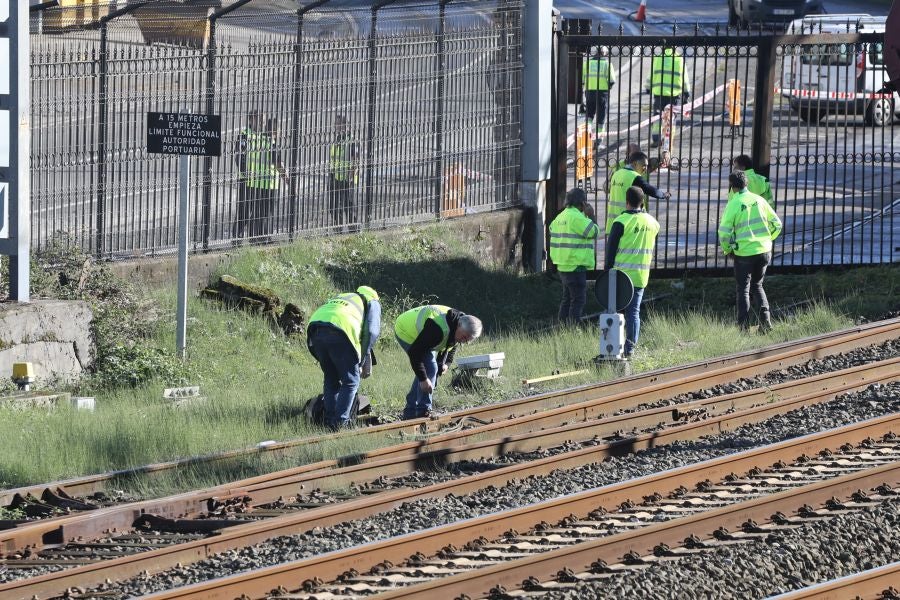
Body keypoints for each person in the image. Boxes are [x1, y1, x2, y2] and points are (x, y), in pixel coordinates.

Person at [306, 286, 381, 430]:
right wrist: (361, 361)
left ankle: (329, 422)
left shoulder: (344, 296)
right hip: (339, 331)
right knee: (351, 381)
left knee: (331, 378)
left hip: (315, 330)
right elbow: (372, 332)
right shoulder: (372, 300)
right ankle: (341, 424)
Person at [718, 170, 783, 333]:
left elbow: (724, 232)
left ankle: (743, 327)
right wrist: (768, 238)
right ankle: (766, 322)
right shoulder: (759, 200)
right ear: (746, 183)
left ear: (732, 186)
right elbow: (777, 224)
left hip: (744, 253)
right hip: (764, 250)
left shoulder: (733, 203)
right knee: (757, 285)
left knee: (743, 289)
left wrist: (728, 249)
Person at [394, 305, 482, 420]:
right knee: (430, 368)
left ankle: (411, 411)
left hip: (426, 336)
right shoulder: (438, 329)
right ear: (459, 325)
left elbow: (452, 345)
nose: (464, 342)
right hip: (406, 330)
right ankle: (422, 410)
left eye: (468, 340)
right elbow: (415, 353)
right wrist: (423, 379)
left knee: (431, 370)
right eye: (464, 337)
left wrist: (446, 364)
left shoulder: (459, 325)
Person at [606, 186, 660, 358]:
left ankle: (613, 350)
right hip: (640, 275)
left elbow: (610, 252)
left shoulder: (620, 222)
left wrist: (607, 272)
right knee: (633, 313)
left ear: (626, 201)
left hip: (620, 275)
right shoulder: (652, 222)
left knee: (614, 312)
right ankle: (630, 350)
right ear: (643, 202)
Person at [234, 109, 287, 244]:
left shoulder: (266, 137)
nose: (262, 123)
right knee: (244, 213)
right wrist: (245, 173)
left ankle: (258, 239)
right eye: (259, 120)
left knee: (261, 214)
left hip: (262, 182)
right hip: (248, 181)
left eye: (263, 121)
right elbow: (239, 156)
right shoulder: (245, 135)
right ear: (251, 120)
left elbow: (275, 160)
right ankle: (237, 240)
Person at [549, 188, 600, 324]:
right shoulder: (577, 218)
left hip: (563, 265)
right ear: (583, 203)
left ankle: (562, 326)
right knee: (578, 300)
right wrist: (591, 215)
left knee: (567, 299)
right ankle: (573, 328)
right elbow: (594, 232)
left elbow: (551, 230)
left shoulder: (560, 217)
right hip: (575, 265)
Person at [606, 151, 670, 234]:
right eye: (644, 165)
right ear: (635, 164)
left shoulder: (617, 174)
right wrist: (663, 195)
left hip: (614, 222)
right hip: (628, 222)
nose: (646, 169)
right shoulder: (634, 177)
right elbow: (650, 190)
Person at [648, 47, 690, 149]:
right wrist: (686, 93)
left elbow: (651, 73)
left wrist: (648, 87)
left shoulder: (658, 58)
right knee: (671, 119)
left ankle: (656, 139)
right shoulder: (679, 59)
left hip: (659, 94)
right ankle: (668, 142)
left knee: (657, 117)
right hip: (674, 95)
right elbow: (684, 78)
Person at [329, 114, 360, 231]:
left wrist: (351, 177)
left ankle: (353, 229)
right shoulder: (337, 140)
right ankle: (338, 228)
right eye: (336, 124)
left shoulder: (352, 141)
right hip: (336, 178)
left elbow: (355, 161)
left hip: (348, 179)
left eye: (339, 124)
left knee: (349, 206)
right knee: (335, 206)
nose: (336, 126)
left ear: (346, 125)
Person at [582, 46, 616, 146]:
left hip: (589, 92)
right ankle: (598, 141)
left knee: (589, 115)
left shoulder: (587, 63)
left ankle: (586, 137)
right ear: (604, 53)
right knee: (601, 117)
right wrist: (608, 87)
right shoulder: (607, 64)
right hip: (602, 94)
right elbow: (612, 80)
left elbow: (582, 80)